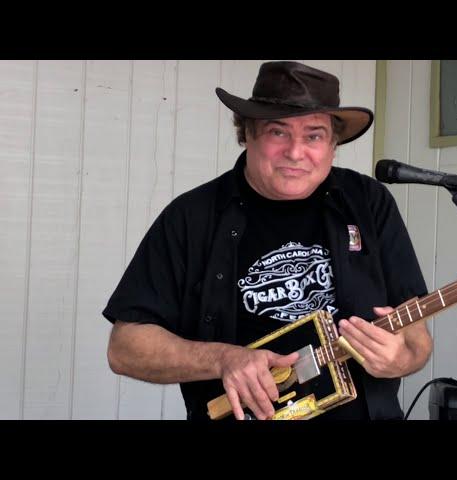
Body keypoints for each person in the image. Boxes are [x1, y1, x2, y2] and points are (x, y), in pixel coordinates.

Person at [103, 60, 433, 421]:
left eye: (314, 135)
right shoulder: (191, 217)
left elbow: (417, 337)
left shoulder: (368, 201)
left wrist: (399, 359)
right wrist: (224, 359)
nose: (295, 152)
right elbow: (125, 348)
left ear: (332, 145)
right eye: (278, 132)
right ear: (248, 134)